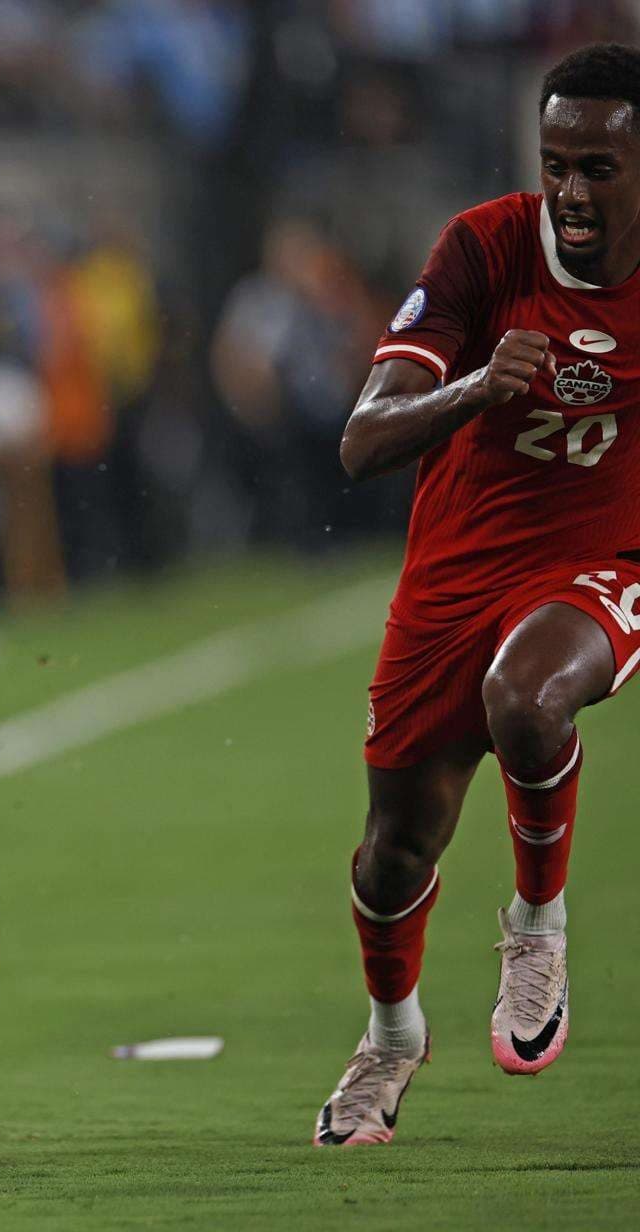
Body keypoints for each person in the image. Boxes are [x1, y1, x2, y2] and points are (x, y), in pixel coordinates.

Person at [316, 43, 640, 1146]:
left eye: (598, 167)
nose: (572, 192)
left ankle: (536, 923)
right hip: (456, 571)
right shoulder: (484, 246)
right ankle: (392, 1038)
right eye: (557, 163)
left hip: (605, 559)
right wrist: (469, 387)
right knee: (393, 850)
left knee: (531, 695)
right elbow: (361, 440)